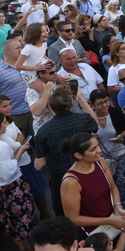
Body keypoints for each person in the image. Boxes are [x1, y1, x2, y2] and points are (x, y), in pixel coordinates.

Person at [34, 86, 98, 215]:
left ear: (51, 106)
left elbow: (38, 165)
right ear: (70, 104)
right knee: (94, 210)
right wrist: (80, 98)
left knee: (67, 217)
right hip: (87, 172)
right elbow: (95, 122)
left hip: (61, 179)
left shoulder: (43, 132)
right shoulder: (84, 119)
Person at [60, 133, 125, 239]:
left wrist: (117, 207)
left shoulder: (100, 162)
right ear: (78, 155)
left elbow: (112, 187)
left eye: (98, 145)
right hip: (92, 235)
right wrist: (109, 221)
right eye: (93, 149)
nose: (99, 150)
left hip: (113, 224)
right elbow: (73, 219)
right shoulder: (71, 182)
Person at [0, 94, 51, 220]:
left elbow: (21, 136)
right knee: (26, 196)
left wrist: (19, 141)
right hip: (17, 166)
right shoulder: (2, 127)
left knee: (39, 190)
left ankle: (45, 214)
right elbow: (17, 145)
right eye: (5, 106)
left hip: (25, 160)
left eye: (9, 104)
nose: (9, 108)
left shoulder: (9, 121)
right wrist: (19, 141)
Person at [88, 90, 125, 211]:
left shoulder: (115, 112)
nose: (104, 105)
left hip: (119, 154)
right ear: (92, 105)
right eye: (100, 103)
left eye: (106, 101)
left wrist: (122, 135)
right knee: (105, 186)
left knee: (122, 184)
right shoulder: (89, 118)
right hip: (100, 159)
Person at [0, 114, 37, 251]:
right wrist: (20, 152)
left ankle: (22, 247)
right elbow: (8, 170)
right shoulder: (2, 146)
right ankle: (31, 245)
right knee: (23, 215)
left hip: (3, 190)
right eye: (4, 122)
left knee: (9, 219)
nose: (6, 125)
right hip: (12, 185)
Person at [1, 37, 34, 137]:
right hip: (14, 115)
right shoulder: (1, 70)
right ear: (7, 51)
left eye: (21, 47)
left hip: (33, 111)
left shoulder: (27, 65)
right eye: (17, 48)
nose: (21, 50)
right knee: (19, 144)